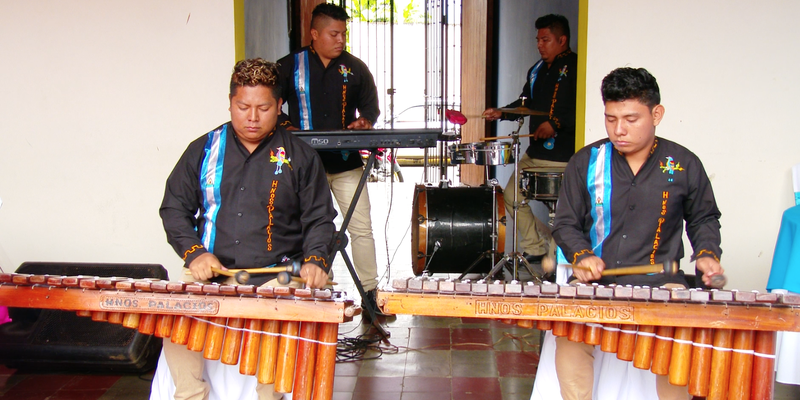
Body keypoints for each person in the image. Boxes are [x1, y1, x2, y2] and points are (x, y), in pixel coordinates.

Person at [158, 58, 336, 400]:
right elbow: (174, 208)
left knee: (282, 311)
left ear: (279, 106)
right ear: (229, 103)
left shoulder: (299, 155)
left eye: (263, 107)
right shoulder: (204, 150)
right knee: (173, 307)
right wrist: (194, 253)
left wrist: (316, 259)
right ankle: (191, 394)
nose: (252, 117)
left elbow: (319, 218)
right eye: (243, 107)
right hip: (213, 272)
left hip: (277, 274)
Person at [549, 67, 724, 400]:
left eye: (631, 119)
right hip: (595, 282)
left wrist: (707, 254)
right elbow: (566, 223)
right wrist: (582, 255)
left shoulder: (683, 163)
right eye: (611, 119)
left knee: (679, 336)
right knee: (570, 335)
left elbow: (704, 218)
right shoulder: (587, 161)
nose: (619, 130)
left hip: (661, 280)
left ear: (656, 114)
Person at [277, 3, 385, 318]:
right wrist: (287, 127)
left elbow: (370, 107)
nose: (340, 40)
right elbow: (270, 102)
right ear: (315, 34)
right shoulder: (288, 66)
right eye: (333, 33)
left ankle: (370, 295)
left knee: (362, 228)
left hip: (346, 162)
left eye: (344, 34)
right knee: (306, 229)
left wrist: (365, 121)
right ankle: (317, 291)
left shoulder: (355, 67)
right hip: (304, 168)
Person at [482, 14, 578, 268]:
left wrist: (555, 124)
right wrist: (502, 112)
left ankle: (560, 258)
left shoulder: (578, 67)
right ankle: (535, 246)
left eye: (546, 39)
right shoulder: (536, 70)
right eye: (538, 40)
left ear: (562, 40)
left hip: (565, 156)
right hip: (535, 153)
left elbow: (581, 108)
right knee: (511, 196)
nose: (540, 44)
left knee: (563, 211)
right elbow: (526, 103)